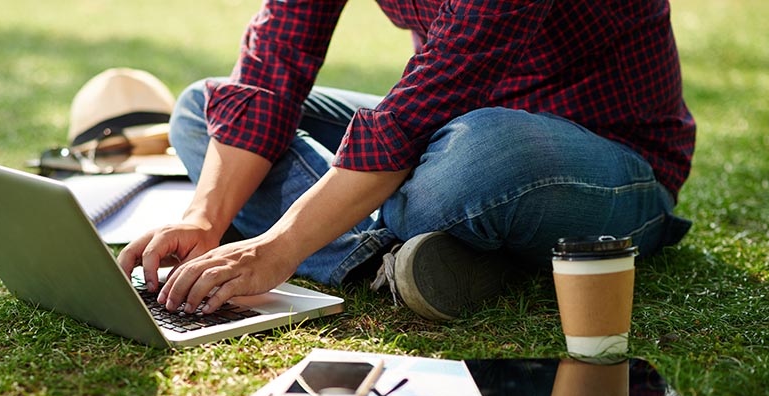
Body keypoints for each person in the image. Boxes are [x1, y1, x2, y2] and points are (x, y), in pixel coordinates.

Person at [117, 0, 695, 321]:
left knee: (478, 155)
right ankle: (392, 258)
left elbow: (415, 117)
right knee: (204, 108)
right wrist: (205, 217)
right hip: (448, 126)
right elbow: (274, 63)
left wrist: (281, 245)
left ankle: (385, 238)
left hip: (604, 162)